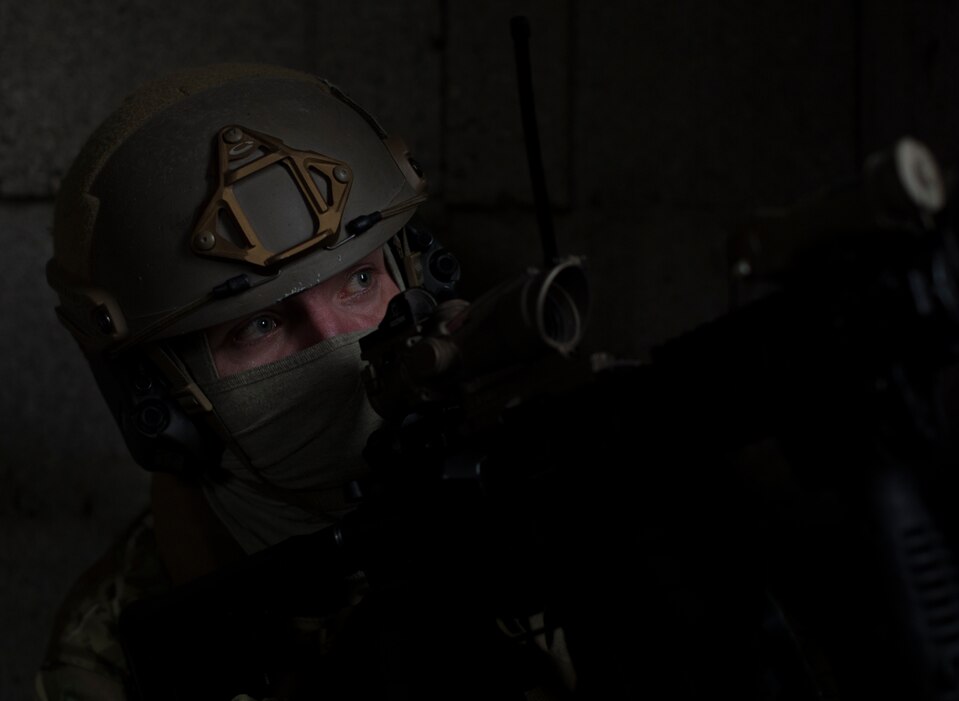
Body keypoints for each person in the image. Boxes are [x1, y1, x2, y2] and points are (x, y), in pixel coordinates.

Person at [35, 62, 576, 701]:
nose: (338, 346)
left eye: (361, 281)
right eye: (260, 324)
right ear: (158, 397)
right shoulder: (114, 662)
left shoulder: (538, 503)